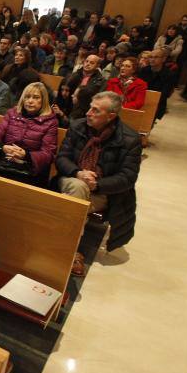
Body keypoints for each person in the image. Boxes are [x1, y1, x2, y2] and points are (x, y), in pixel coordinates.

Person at [56, 91, 142, 270]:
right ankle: (69, 251)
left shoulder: (130, 139)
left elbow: (128, 177)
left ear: (111, 116)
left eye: (95, 111)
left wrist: (98, 184)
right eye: (89, 108)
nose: (88, 113)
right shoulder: (78, 126)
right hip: (70, 179)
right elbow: (62, 158)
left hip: (103, 192)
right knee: (78, 186)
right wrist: (78, 172)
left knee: (73, 199)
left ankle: (63, 247)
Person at [0, 82, 58, 186]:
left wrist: (25, 155)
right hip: (5, 161)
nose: (30, 101)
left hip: (29, 168)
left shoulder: (50, 121)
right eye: (27, 97)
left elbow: (48, 153)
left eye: (36, 97)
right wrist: (2, 147)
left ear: (43, 100)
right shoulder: (12, 113)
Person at [138, 48, 177, 120]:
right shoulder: (144, 70)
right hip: (141, 101)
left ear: (163, 59)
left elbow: (165, 94)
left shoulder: (169, 75)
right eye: (151, 57)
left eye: (156, 57)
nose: (152, 59)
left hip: (157, 105)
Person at [66, 54, 106, 119]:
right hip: (69, 107)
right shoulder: (76, 74)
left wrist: (79, 90)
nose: (88, 64)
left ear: (97, 66)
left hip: (86, 112)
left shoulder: (100, 80)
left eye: (92, 63)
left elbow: (92, 94)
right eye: (86, 61)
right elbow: (66, 85)